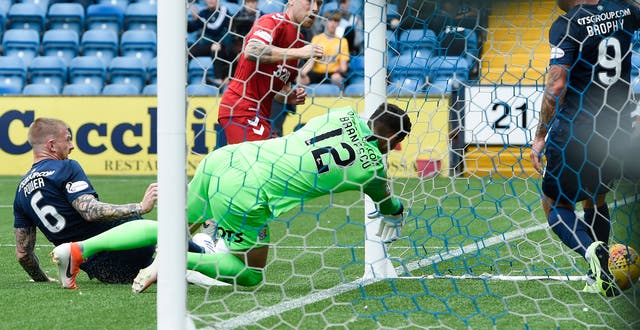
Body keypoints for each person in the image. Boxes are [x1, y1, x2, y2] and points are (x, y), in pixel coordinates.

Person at [50, 103, 412, 292]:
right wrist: (396, 210)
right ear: (394, 144)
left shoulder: (342, 113)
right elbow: (386, 205)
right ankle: (175, 265)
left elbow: (356, 127)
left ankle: (79, 249)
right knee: (251, 273)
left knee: (172, 226)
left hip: (228, 158)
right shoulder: (372, 169)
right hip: (249, 194)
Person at [529, 0, 640, 297]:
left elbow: (556, 85)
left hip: (576, 129)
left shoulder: (567, 23)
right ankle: (600, 276)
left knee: (553, 205)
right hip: (614, 130)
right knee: (596, 197)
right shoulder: (624, 11)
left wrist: (539, 136)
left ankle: (591, 251)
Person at [13, 118, 158, 289]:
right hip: (130, 248)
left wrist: (42, 279)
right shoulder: (66, 167)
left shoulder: (21, 192)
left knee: (175, 264)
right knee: (169, 235)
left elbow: (23, 254)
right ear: (52, 145)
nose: (72, 145)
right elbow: (90, 211)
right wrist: (140, 207)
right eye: (67, 139)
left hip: (107, 273)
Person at [217, 0, 325, 144]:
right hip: (241, 107)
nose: (315, 8)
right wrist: (299, 53)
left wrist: (288, 96)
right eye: (309, 0)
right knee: (268, 164)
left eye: (319, 3)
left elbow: (278, 91)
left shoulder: (298, 41)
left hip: (260, 115)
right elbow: (252, 50)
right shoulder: (272, 21)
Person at [187, 0, 232, 84]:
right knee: (188, 50)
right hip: (208, 45)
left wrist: (199, 19)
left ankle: (219, 80)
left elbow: (215, 28)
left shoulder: (223, 10)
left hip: (223, 45)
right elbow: (191, 28)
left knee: (215, 48)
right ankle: (184, 80)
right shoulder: (204, 13)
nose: (210, 0)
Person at [299, 10, 350, 88]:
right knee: (300, 80)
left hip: (332, 74)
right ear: (325, 21)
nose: (333, 23)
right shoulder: (317, 39)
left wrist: (339, 69)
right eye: (330, 20)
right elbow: (311, 61)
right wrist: (303, 72)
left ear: (339, 23)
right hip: (317, 74)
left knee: (337, 78)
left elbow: (344, 67)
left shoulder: (343, 41)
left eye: (336, 21)